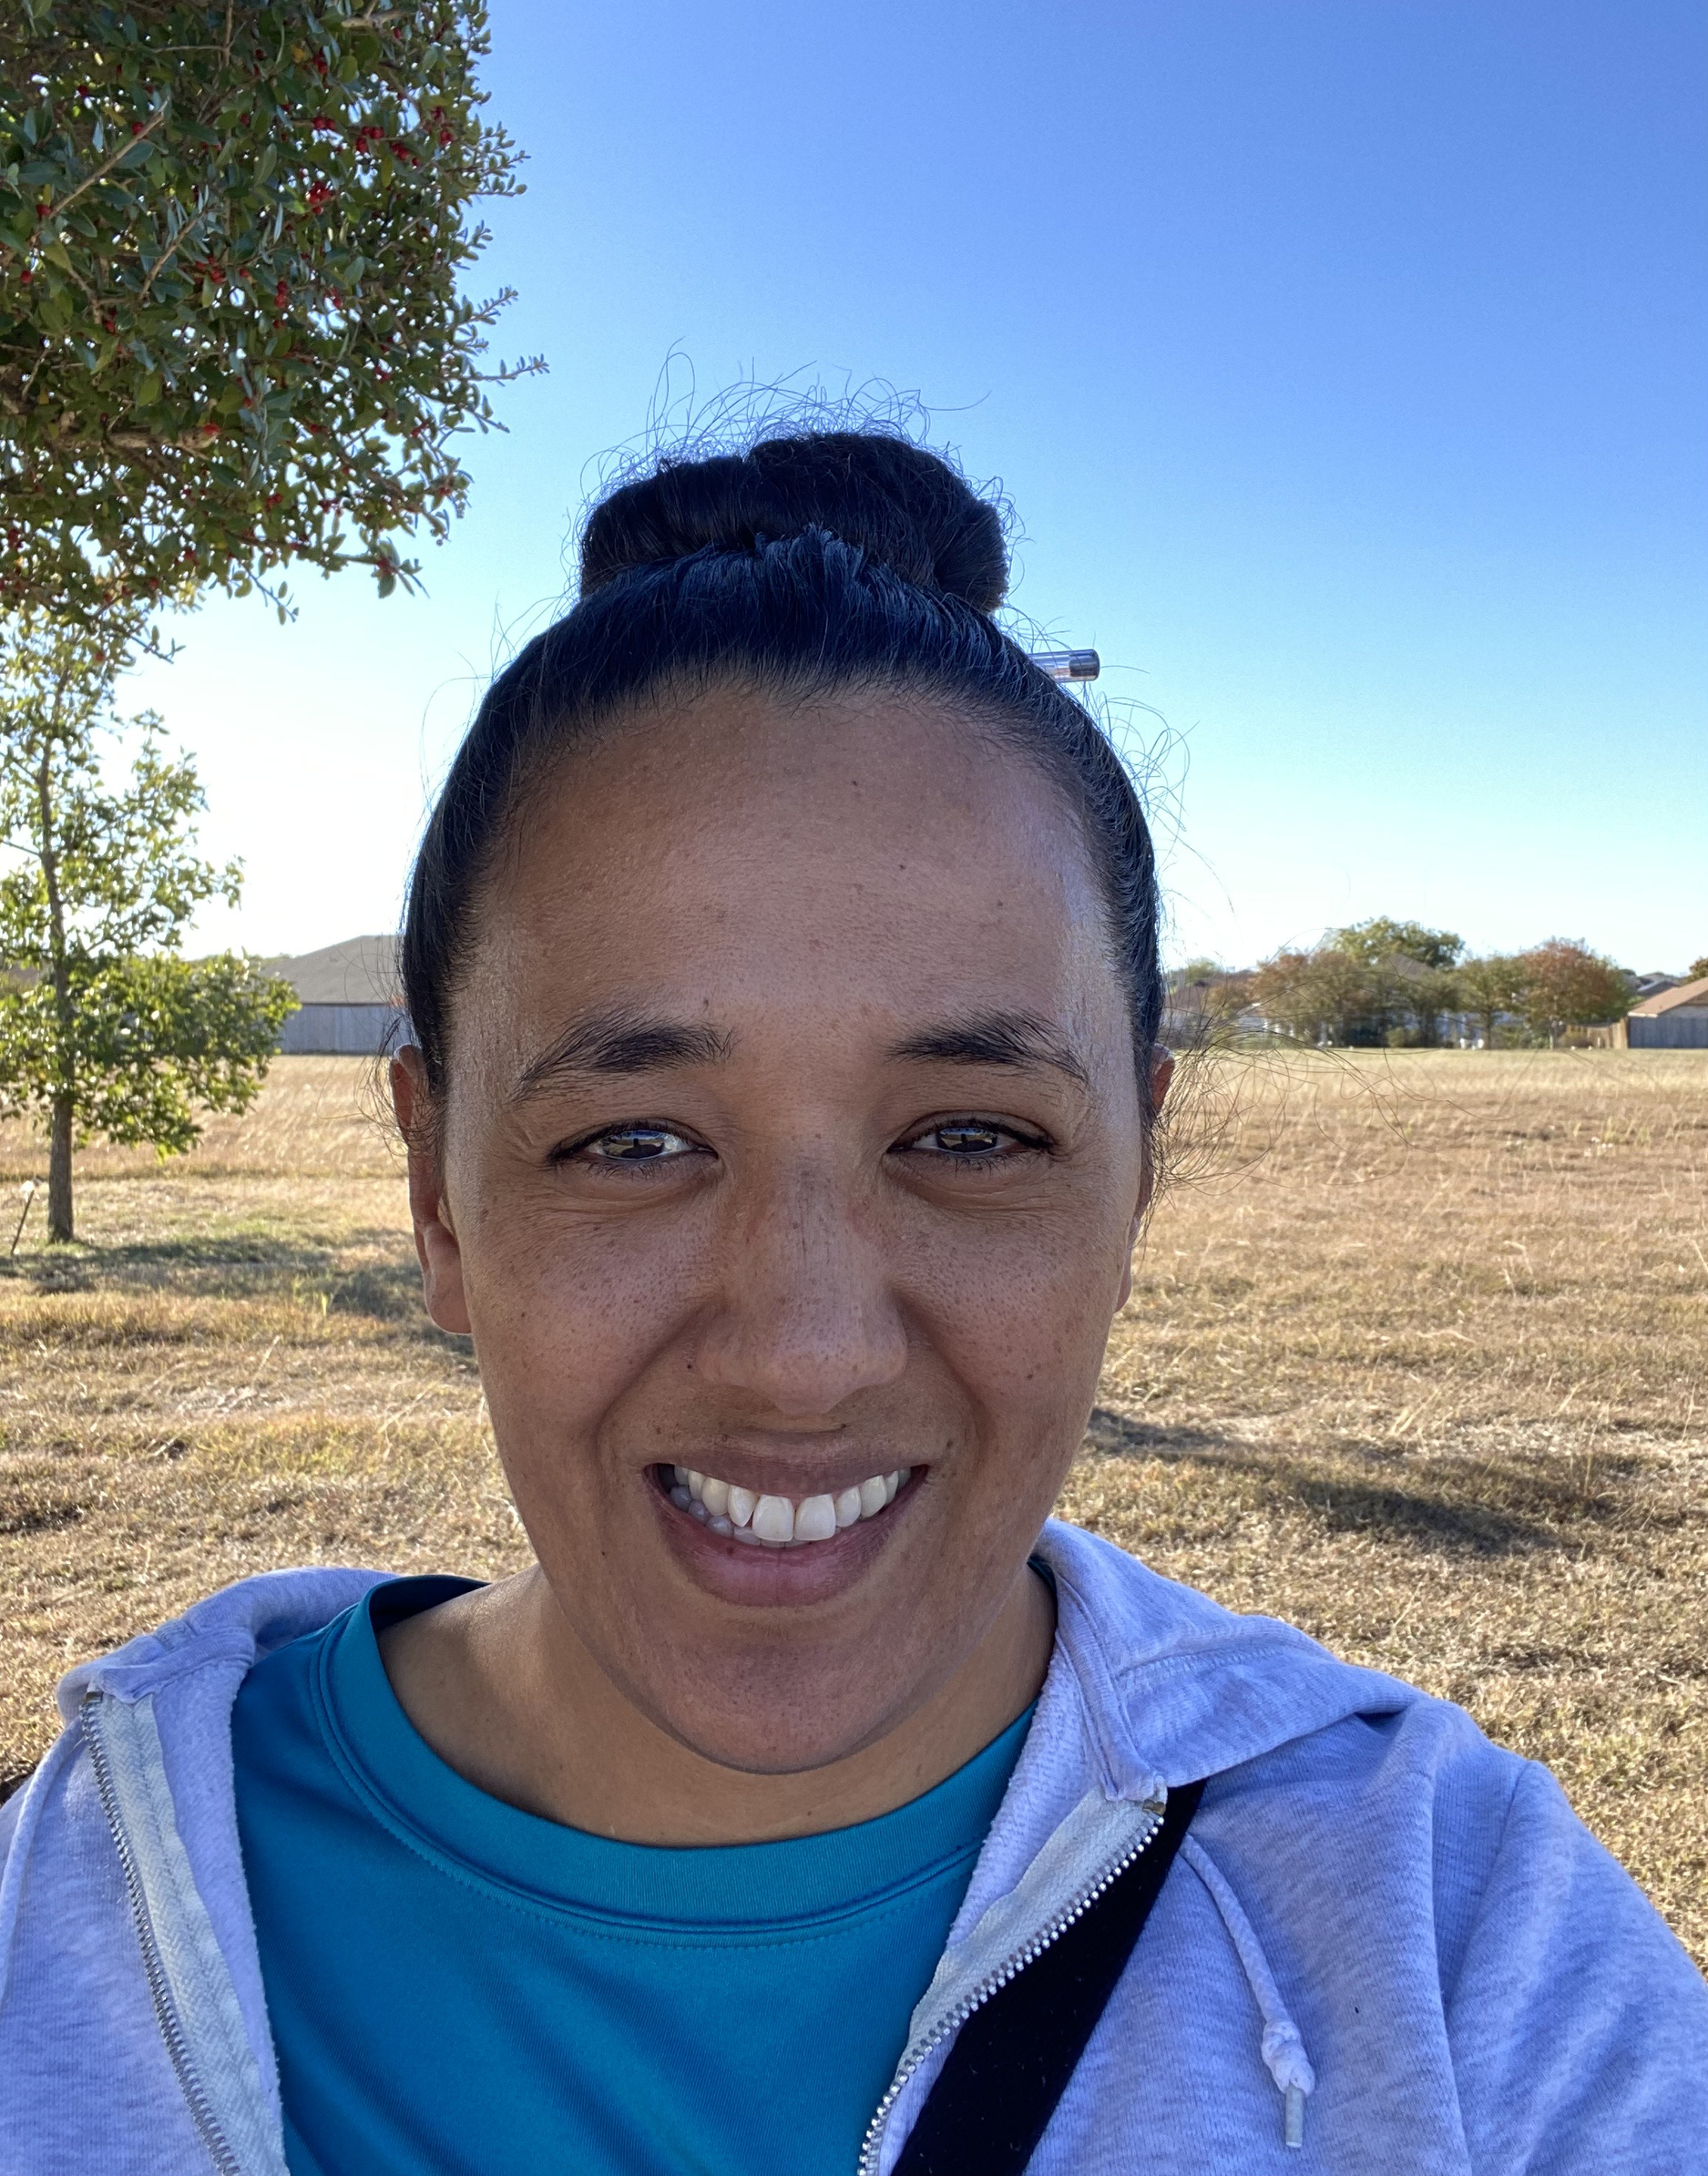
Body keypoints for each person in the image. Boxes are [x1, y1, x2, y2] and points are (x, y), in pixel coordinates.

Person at [1, 429, 1703, 2176]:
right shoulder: (58, 1913)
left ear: (1132, 1180)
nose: (804, 1356)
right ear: (438, 1196)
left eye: (970, 1136)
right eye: (635, 1141)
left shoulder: (1461, 1953)